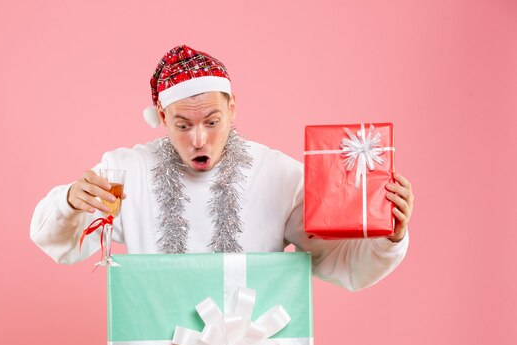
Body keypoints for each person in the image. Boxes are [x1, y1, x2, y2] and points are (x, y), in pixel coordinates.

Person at [30, 45, 414, 291]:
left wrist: (389, 235)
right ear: (162, 116)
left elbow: (340, 262)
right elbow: (59, 243)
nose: (199, 139)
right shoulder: (126, 170)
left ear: (232, 108)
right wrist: (69, 202)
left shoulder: (280, 175)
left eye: (212, 121)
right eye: (183, 125)